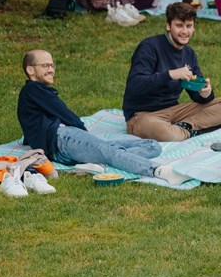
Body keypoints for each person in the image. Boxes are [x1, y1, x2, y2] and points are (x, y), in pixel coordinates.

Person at [18, 49, 189, 185]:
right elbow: (65, 113)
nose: (51, 69)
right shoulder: (33, 89)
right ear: (30, 70)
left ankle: (98, 164)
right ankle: (159, 171)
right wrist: (83, 133)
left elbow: (32, 123)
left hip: (65, 143)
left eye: (52, 65)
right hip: (62, 139)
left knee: (152, 146)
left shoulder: (33, 94)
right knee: (109, 151)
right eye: (45, 66)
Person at [122, 2, 221, 142]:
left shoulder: (189, 53)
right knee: (164, 132)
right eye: (179, 25)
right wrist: (170, 74)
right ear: (168, 26)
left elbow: (196, 94)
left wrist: (205, 93)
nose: (185, 31)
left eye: (189, 26)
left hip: (175, 111)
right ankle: (193, 130)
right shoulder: (149, 47)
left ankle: (185, 127)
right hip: (143, 115)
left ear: (193, 28)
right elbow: (135, 85)